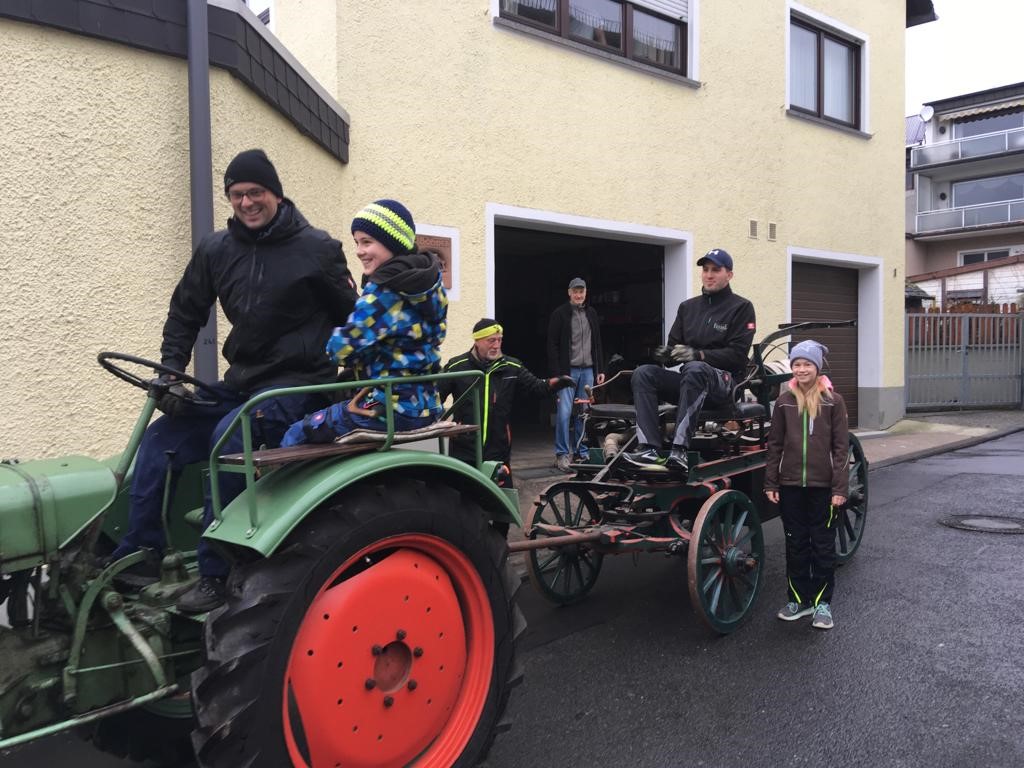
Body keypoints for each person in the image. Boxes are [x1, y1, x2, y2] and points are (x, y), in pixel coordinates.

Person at [110, 149, 358, 613]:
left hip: (298, 387)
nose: (246, 203)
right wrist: (171, 373)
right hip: (243, 384)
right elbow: (185, 310)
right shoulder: (216, 250)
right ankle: (139, 556)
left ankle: (216, 575)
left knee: (230, 436)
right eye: (237, 194)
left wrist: (350, 374)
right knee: (162, 438)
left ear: (276, 194)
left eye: (255, 193)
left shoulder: (318, 248)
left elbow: (355, 319)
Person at [280, 199, 447, 446]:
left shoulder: (383, 291)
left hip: (387, 405)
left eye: (367, 242)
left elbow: (343, 348)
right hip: (428, 405)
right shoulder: (431, 285)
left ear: (394, 243)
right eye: (357, 242)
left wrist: (330, 342)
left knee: (298, 433)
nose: (359, 251)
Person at [623, 248, 756, 476]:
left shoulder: (741, 307)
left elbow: (737, 356)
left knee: (695, 368)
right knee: (644, 373)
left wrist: (698, 355)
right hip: (691, 382)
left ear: (729, 275)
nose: (709, 275)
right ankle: (648, 449)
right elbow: (674, 349)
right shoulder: (688, 307)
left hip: (724, 385)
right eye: (705, 270)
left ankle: (679, 450)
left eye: (716, 270)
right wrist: (665, 354)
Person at [764, 340, 849, 631]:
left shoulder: (833, 402)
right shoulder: (784, 401)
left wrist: (839, 489)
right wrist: (771, 482)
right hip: (790, 486)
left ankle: (823, 604)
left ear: (817, 367)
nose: (801, 369)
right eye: (797, 364)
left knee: (822, 546)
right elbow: (774, 445)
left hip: (823, 487)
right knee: (795, 544)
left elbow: (840, 449)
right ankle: (798, 601)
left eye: (806, 364)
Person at [439, 319, 574, 484]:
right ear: (477, 341)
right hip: (464, 451)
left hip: (498, 451)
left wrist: (557, 382)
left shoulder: (512, 366)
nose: (496, 345)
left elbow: (536, 387)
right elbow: (436, 396)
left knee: (498, 503)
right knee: (462, 500)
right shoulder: (457, 366)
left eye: (499, 340)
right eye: (491, 340)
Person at [547, 277, 605, 472]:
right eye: (576, 291)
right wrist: (556, 374)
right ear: (569, 293)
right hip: (568, 371)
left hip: (588, 370)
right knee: (564, 413)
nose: (579, 295)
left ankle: (582, 452)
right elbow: (552, 345)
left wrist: (600, 370)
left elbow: (597, 342)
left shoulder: (592, 313)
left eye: (582, 291)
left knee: (584, 414)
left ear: (586, 293)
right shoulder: (560, 314)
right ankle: (562, 454)